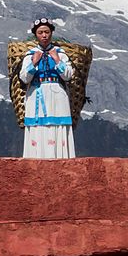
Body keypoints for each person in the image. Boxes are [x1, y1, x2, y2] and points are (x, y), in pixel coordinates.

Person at [17, 17, 75, 159]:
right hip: (37, 93)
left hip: (57, 95)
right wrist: (34, 63)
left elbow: (68, 75)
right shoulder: (29, 55)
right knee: (38, 127)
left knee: (57, 124)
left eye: (47, 32)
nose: (44, 35)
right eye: (40, 32)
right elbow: (24, 77)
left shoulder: (60, 54)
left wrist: (57, 60)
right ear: (36, 35)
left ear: (51, 33)